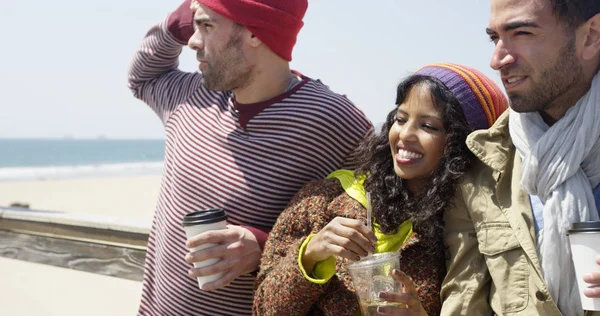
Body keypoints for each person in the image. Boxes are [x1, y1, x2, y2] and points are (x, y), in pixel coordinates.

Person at [126, 0, 373, 314]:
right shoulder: (191, 97)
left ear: (256, 33)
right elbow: (142, 77)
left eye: (206, 25)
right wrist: (186, 13)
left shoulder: (332, 120)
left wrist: (263, 246)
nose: (191, 40)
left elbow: (374, 217)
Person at [253, 63, 508, 316]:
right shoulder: (325, 200)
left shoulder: (466, 236)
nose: (405, 134)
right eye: (401, 119)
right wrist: (311, 254)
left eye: (428, 126)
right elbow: (263, 308)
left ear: (461, 144)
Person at [441, 0, 600, 315]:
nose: (497, 59)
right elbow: (464, 303)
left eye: (522, 33)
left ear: (591, 36)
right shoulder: (481, 165)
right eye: (494, 38)